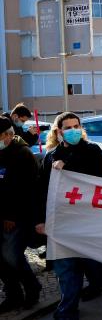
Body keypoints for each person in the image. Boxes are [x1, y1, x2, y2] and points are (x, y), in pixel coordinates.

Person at [37, 112, 102, 318]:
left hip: (88, 221)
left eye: (77, 126)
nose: (74, 130)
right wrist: (40, 220)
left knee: (97, 265)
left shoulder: (92, 150)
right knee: (66, 269)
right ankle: (67, 310)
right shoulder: (50, 156)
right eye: (68, 128)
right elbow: (42, 190)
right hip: (62, 222)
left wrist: (67, 166)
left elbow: (94, 176)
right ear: (59, 132)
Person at [0, 117, 41, 313]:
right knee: (2, 260)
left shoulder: (22, 154)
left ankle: (32, 288)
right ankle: (13, 295)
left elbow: (25, 190)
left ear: (8, 135)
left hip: (16, 217)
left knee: (12, 256)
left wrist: (11, 216)